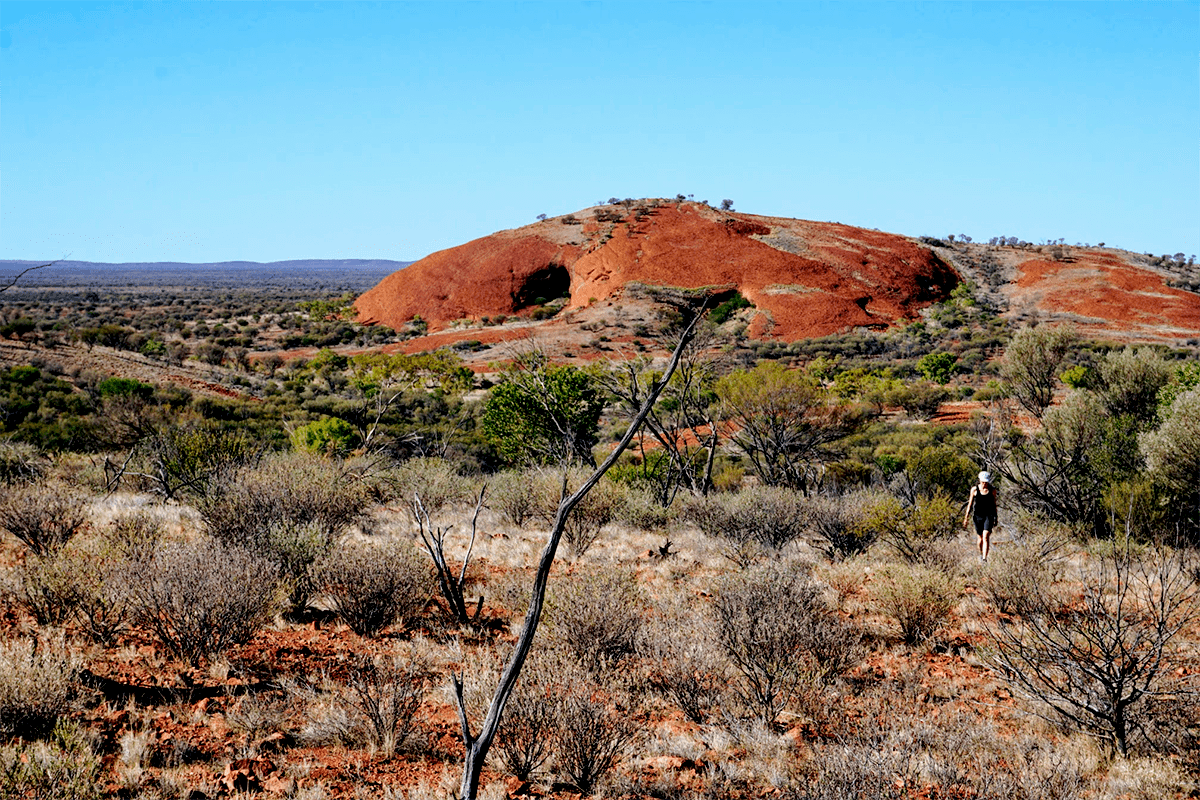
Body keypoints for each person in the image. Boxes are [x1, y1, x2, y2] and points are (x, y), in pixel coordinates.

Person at [964, 470, 998, 562]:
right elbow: (970, 504)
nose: (984, 484)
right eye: (983, 482)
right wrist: (966, 517)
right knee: (980, 538)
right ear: (979, 481)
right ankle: (981, 553)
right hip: (978, 516)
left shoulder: (992, 490)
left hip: (989, 516)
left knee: (986, 535)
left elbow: (994, 504)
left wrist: (995, 517)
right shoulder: (974, 490)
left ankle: (984, 558)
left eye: (986, 482)